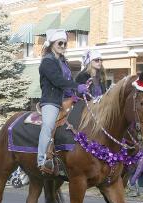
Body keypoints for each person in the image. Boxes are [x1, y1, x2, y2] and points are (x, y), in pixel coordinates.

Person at [38, 28, 88, 174]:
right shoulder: (47, 61)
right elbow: (57, 81)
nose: (63, 46)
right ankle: (41, 160)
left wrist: (75, 94)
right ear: (52, 43)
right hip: (51, 101)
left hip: (66, 99)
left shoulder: (63, 62)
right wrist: (77, 86)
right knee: (48, 125)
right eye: (60, 43)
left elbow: (68, 80)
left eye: (65, 44)